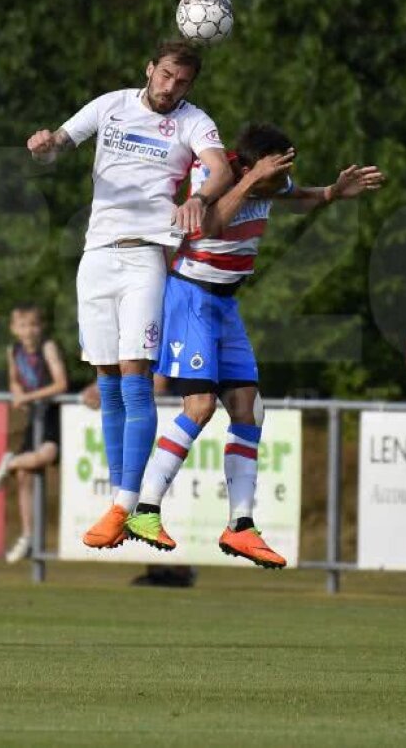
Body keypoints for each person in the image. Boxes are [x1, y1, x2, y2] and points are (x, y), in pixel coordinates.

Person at [125, 123, 382, 568]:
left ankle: (240, 526)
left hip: (225, 303)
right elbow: (208, 227)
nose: (280, 177)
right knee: (200, 407)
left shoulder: (269, 180)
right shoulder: (214, 179)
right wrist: (248, 179)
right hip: (191, 297)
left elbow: (292, 195)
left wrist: (331, 193)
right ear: (247, 164)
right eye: (274, 168)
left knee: (249, 409)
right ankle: (145, 509)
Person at [26, 39, 233, 550]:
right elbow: (59, 147)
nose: (170, 87)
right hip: (96, 256)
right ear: (149, 69)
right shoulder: (110, 104)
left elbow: (221, 167)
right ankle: (119, 505)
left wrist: (200, 197)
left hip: (145, 257)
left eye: (182, 81)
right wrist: (44, 145)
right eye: (165, 75)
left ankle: (124, 503)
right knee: (107, 382)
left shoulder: (192, 120)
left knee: (136, 378)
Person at [80, 381, 196, 588]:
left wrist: (106, 387)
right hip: (146, 423)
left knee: (167, 502)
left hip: (165, 420)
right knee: (147, 503)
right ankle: (156, 570)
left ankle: (181, 570)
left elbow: (157, 379)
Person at [0, 304, 68, 564]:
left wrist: (30, 396)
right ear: (14, 329)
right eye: (22, 325)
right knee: (24, 475)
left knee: (45, 455)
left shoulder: (48, 348)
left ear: (40, 327)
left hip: (53, 415)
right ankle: (28, 535)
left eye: (33, 325)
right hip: (35, 417)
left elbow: (60, 383)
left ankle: (8, 463)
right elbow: (14, 379)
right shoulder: (14, 351)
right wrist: (17, 394)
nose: (28, 331)